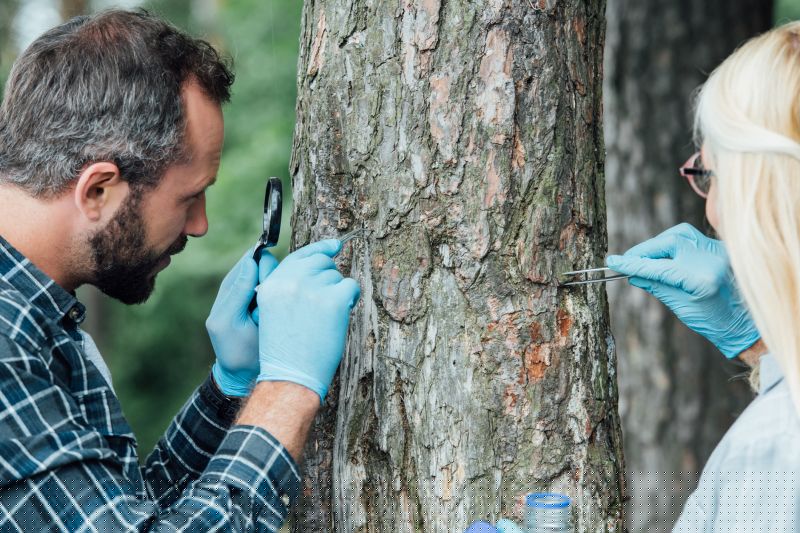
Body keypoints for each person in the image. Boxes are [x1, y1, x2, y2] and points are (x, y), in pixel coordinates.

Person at [0, 10, 359, 532]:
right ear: (98, 190)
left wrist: (230, 389)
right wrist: (287, 388)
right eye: (189, 198)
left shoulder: (32, 307)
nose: (200, 225)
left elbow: (114, 514)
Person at [467, 20, 800, 533]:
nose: (709, 211)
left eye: (709, 176)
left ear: (765, 194)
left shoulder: (771, 452)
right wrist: (760, 345)